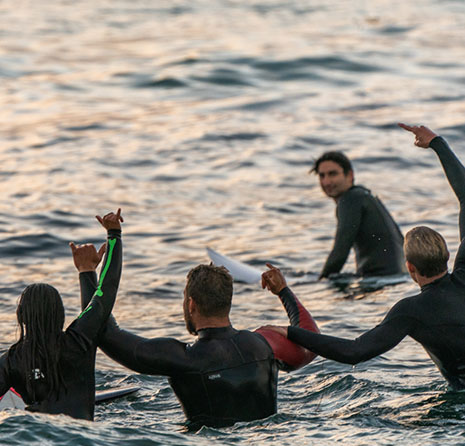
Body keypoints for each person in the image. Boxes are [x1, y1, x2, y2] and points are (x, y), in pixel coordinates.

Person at [266, 124, 465, 390]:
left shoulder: (410, 311)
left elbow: (354, 352)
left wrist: (290, 331)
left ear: (410, 268)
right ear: (449, 255)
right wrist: (437, 143)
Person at [71, 246, 319, 430]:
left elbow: (103, 332)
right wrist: (283, 292)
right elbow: (311, 341)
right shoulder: (265, 344)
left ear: (191, 305)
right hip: (267, 445)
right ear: (227, 303)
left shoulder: (181, 359)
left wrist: (87, 272)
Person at [0, 209, 123, 420]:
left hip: (31, 437)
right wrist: (114, 236)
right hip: (83, 440)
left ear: (21, 317)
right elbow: (107, 290)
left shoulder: (11, 360)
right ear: (60, 314)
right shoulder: (79, 340)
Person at [311, 149, 406, 278]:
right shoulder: (364, 196)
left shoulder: (350, 199)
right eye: (322, 176)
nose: (326, 182)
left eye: (332, 174)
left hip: (380, 278)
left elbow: (340, 252)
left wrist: (320, 282)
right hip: (399, 276)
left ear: (349, 175)